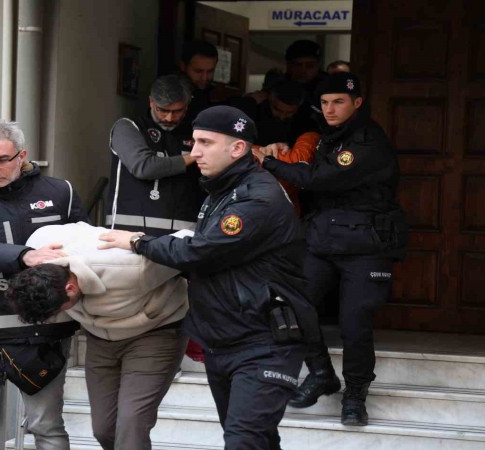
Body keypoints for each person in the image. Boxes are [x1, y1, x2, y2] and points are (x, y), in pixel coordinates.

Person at [99, 106, 321, 450]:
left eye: (205, 142)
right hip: (224, 341)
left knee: (243, 441)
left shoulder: (257, 197)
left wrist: (137, 241)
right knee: (258, 440)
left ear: (238, 148)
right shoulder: (221, 192)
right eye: (194, 142)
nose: (195, 152)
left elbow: (200, 252)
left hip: (264, 343)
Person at [261, 72, 408, 426]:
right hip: (323, 239)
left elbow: (317, 179)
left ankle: (355, 395)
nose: (330, 109)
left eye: (338, 102)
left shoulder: (367, 139)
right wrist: (283, 150)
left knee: (354, 321)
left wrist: (265, 161)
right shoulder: (328, 137)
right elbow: (308, 167)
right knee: (294, 307)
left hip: (366, 245)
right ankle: (321, 373)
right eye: (325, 102)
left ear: (357, 103)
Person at [0, 119, 89, 450]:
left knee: (46, 426)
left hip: (45, 331)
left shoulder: (60, 193)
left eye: (0, 160)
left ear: (22, 156)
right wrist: (26, 256)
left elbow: (85, 244)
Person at [6, 221, 190, 450]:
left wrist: (139, 241)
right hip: (100, 339)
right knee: (104, 429)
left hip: (154, 333)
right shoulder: (41, 246)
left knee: (132, 424)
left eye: (57, 310)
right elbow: (75, 226)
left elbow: (188, 241)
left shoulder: (132, 266)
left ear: (70, 289)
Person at [107, 74, 205, 237]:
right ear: (151, 102)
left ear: (187, 107)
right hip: (129, 234)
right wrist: (193, 156)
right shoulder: (128, 127)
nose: (169, 118)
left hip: (182, 235)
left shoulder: (195, 134)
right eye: (163, 110)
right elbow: (144, 167)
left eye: (177, 111)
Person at [178, 40, 219, 125]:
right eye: (198, 71)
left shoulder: (213, 94)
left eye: (210, 71)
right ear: (183, 66)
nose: (204, 78)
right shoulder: (171, 93)